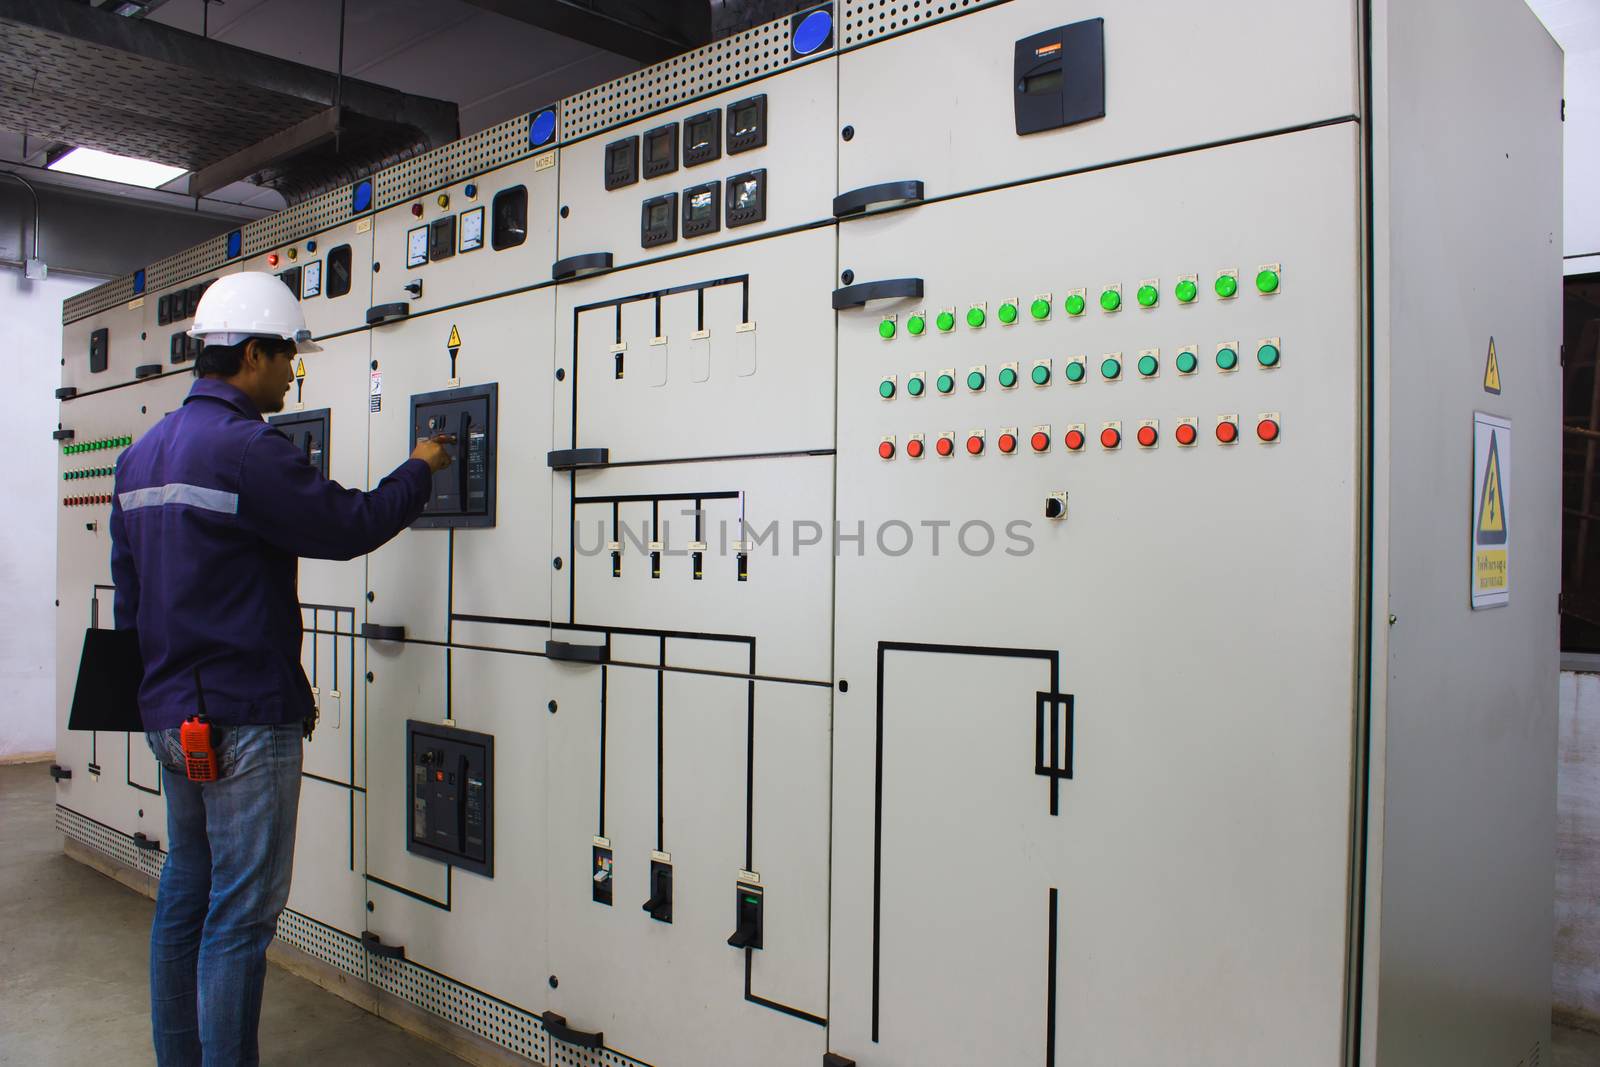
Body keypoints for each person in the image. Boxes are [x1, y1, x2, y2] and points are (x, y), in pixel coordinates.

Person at [109, 271, 452, 1067]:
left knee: (186, 896)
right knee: (239, 919)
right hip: (241, 718)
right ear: (252, 354)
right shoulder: (245, 448)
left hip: (170, 716)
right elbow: (346, 524)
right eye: (288, 356)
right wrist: (422, 467)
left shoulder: (140, 455)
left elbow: (131, 601)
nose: (293, 373)